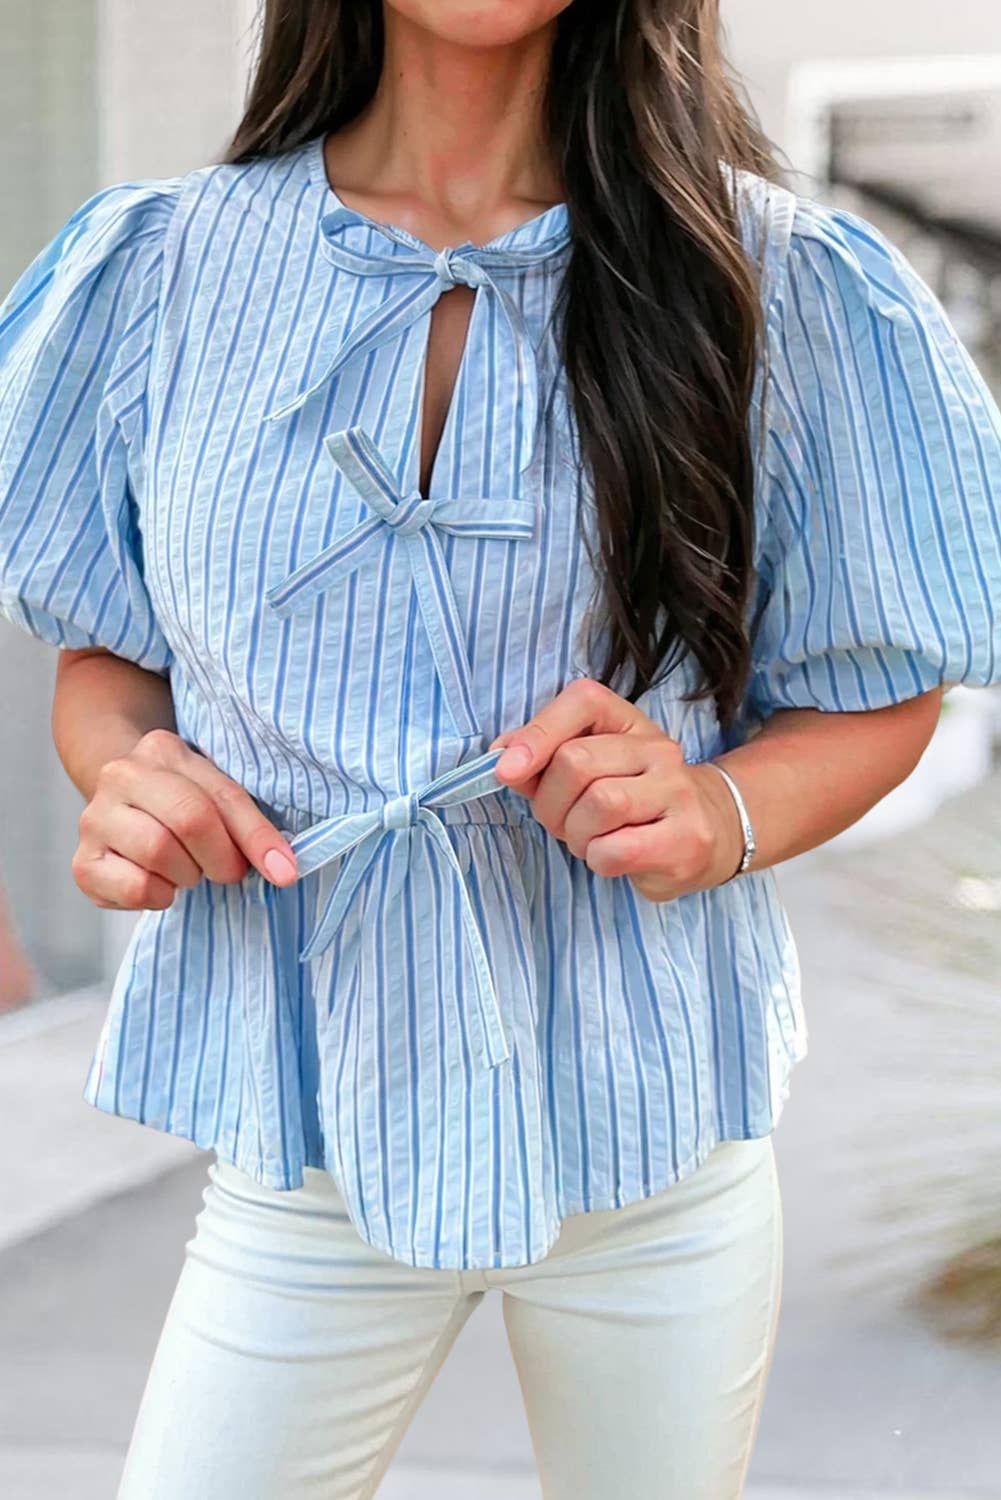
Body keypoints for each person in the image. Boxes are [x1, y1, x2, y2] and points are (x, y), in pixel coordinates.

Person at [1, 1, 999, 1496]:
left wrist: (716, 810)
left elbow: (878, 685)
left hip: (651, 1149)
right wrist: (126, 772)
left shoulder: (774, 280)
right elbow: (111, 654)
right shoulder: (162, 268)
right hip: (307, 1152)